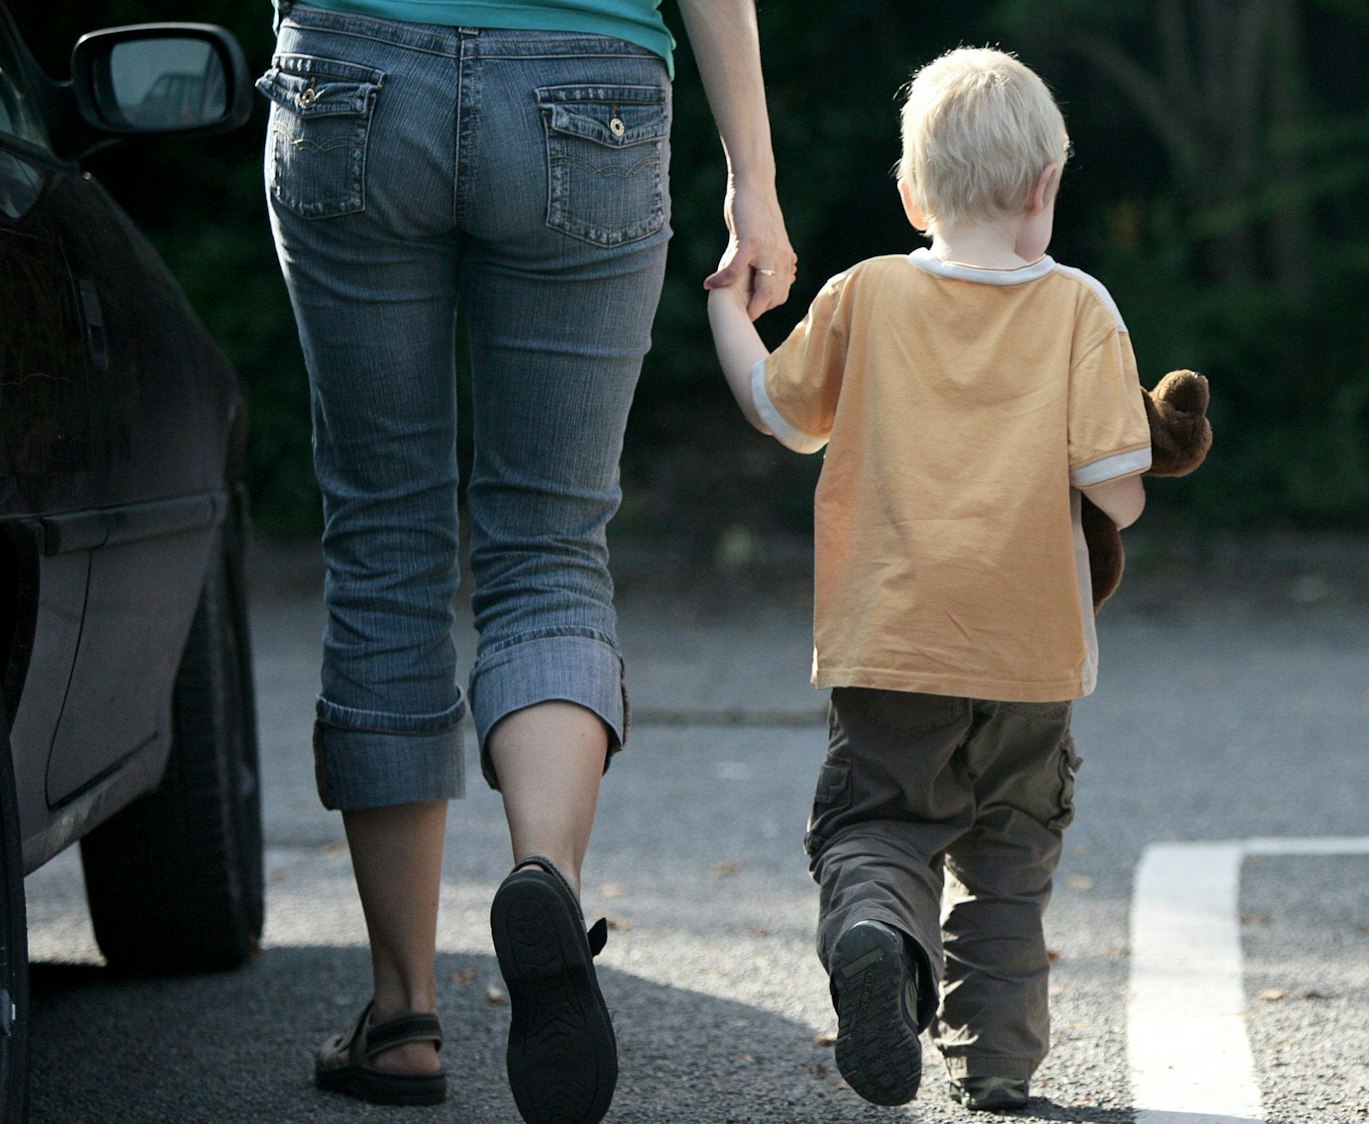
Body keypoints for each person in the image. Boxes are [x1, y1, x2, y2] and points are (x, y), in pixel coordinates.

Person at [259, 1, 793, 1120]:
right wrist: (754, 178)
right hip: (587, 79)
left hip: (356, 66)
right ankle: (541, 875)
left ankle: (401, 1014)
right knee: (548, 546)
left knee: (385, 543)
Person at [707, 46, 1150, 1112]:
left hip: (888, 640)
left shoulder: (864, 295)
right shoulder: (1080, 307)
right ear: (1044, 187)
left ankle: (872, 927)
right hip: (1030, 656)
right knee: (1009, 858)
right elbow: (1121, 492)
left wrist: (729, 305)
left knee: (877, 825)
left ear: (911, 192)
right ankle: (995, 1060)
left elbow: (779, 412)